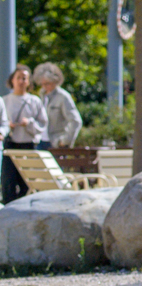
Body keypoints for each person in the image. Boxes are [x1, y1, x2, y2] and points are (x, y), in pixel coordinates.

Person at [1, 66, 51, 203]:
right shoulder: (4, 101)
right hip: (10, 145)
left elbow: (42, 124)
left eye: (24, 78)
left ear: (29, 82)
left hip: (29, 146)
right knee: (8, 183)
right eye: (18, 78)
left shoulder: (34, 101)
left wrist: (29, 123)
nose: (21, 81)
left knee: (27, 183)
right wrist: (7, 127)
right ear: (12, 80)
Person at [33, 64, 83, 149]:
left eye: (47, 83)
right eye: (42, 84)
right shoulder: (42, 95)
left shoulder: (63, 96)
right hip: (41, 141)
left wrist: (65, 141)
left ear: (55, 81)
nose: (45, 86)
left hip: (55, 143)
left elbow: (75, 121)